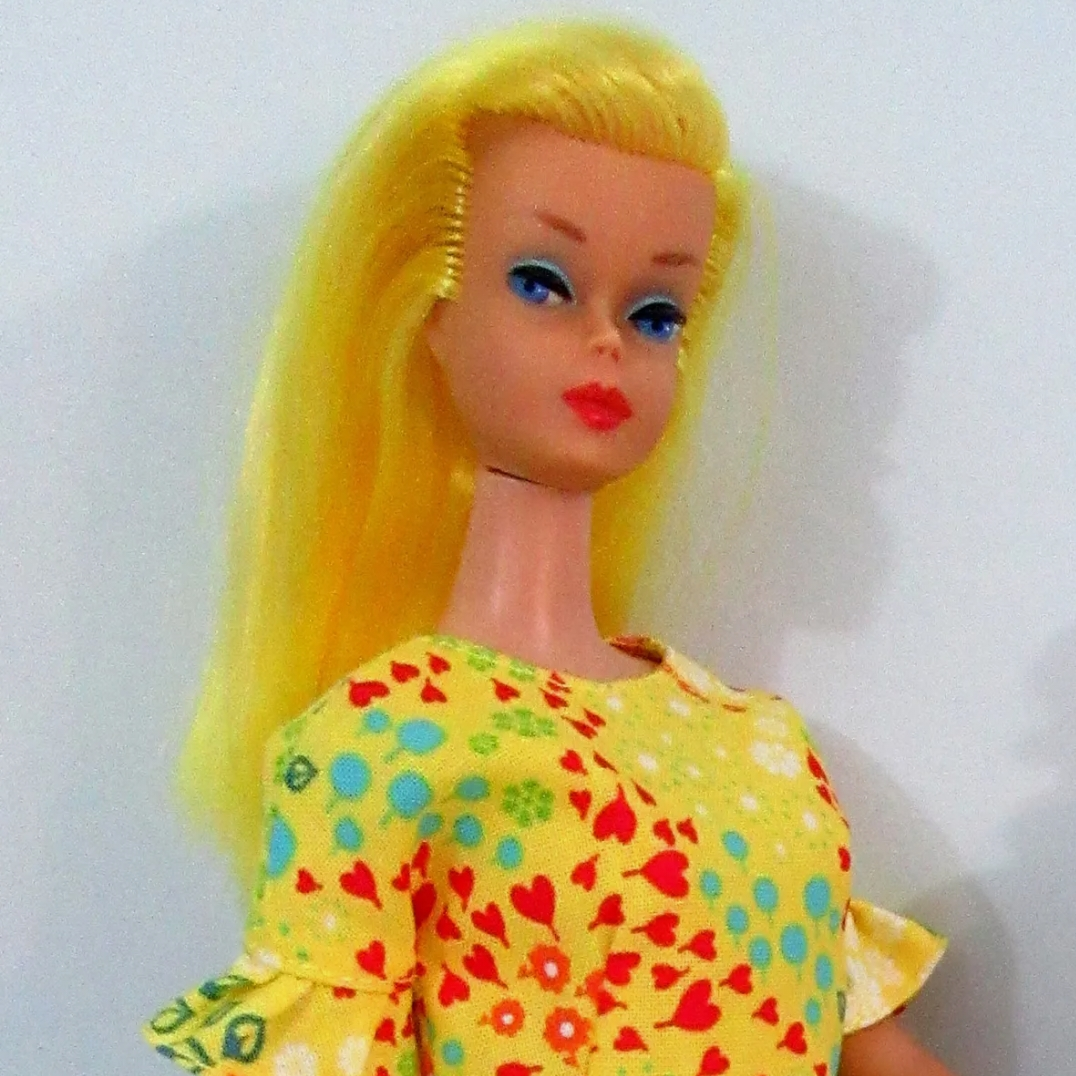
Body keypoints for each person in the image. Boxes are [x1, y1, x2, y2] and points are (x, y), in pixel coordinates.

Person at [143, 19, 957, 1076]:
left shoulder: (756, 744)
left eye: (655, 313)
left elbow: (862, 1037)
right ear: (429, 313)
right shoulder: (377, 747)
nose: (605, 341)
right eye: (540, 282)